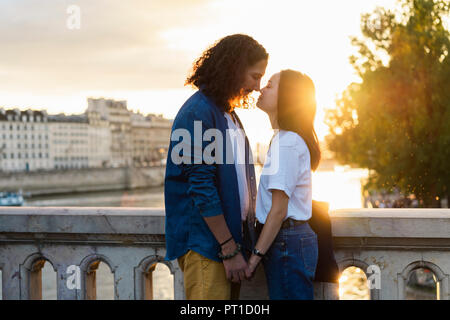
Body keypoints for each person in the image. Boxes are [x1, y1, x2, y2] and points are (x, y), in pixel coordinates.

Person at [164, 34, 268, 300]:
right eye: (255, 76)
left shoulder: (228, 114)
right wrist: (228, 248)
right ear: (235, 69)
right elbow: (202, 187)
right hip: (208, 248)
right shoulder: (198, 113)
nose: (257, 87)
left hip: (226, 246)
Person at [248, 70, 321, 299]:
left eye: (269, 85)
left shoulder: (287, 143)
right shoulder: (284, 139)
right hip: (288, 241)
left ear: (287, 96)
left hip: (286, 242)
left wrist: (255, 257)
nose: (261, 89)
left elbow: (278, 210)